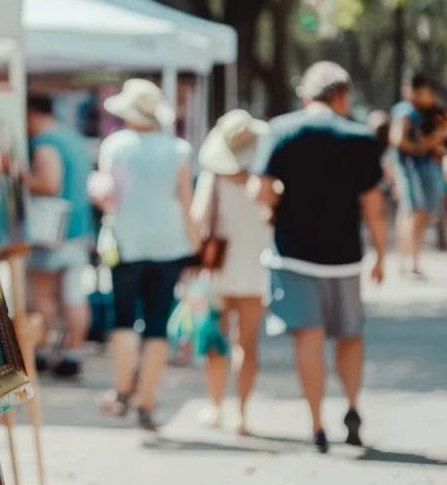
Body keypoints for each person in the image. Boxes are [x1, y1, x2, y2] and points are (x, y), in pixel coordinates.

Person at [251, 61, 387, 453]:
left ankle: (316, 426)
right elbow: (374, 206)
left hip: (293, 255)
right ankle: (352, 407)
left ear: (306, 96)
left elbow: (260, 190)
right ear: (343, 96)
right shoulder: (361, 137)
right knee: (350, 335)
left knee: (308, 338)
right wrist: (380, 254)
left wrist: (277, 204)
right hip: (345, 257)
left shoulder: (281, 130)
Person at [93, 79, 199, 430]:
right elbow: (186, 202)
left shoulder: (115, 145)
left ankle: (123, 389)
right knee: (157, 323)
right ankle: (147, 401)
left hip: (125, 242)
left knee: (123, 317)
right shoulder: (179, 149)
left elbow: (106, 192)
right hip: (170, 244)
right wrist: (196, 246)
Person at [190, 109, 271, 435]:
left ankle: (215, 405)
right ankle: (243, 412)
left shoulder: (213, 177)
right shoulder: (268, 179)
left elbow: (198, 220)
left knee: (215, 339)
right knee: (247, 343)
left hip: (218, 270)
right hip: (258, 268)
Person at [25, 94, 94, 378]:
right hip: (79, 227)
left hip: (51, 231)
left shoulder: (46, 142)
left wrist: (20, 177)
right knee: (74, 293)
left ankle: (43, 350)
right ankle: (73, 353)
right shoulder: (74, 138)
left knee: (44, 294)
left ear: (32, 113)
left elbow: (49, 184)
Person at [390, 74, 445, 276]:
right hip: (410, 167)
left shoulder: (427, 113)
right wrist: (423, 146)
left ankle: (413, 260)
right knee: (411, 212)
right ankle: (406, 261)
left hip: (425, 168)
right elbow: (397, 139)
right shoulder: (405, 111)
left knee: (420, 214)